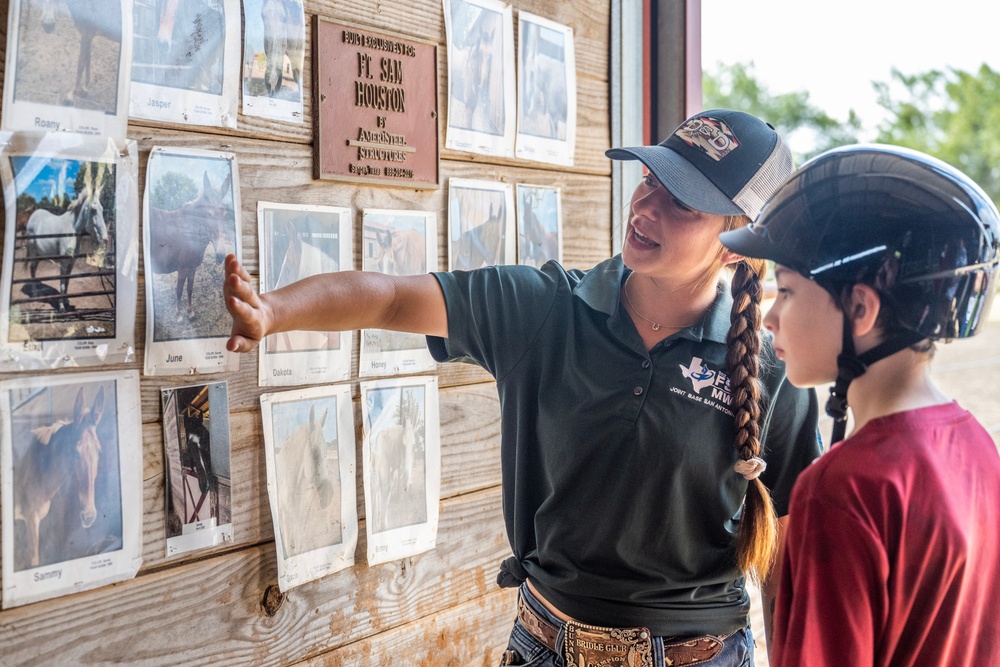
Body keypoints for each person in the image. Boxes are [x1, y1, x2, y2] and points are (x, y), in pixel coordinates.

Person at [224, 109, 822, 667]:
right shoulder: (545, 308)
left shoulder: (774, 369)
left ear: (736, 236)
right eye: (649, 181)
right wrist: (273, 310)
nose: (646, 207)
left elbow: (788, 559)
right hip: (544, 645)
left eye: (683, 203)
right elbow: (392, 296)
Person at [719, 143, 1000, 666]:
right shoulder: (979, 447)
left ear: (860, 307)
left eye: (787, 291)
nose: (769, 317)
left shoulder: (842, 489)